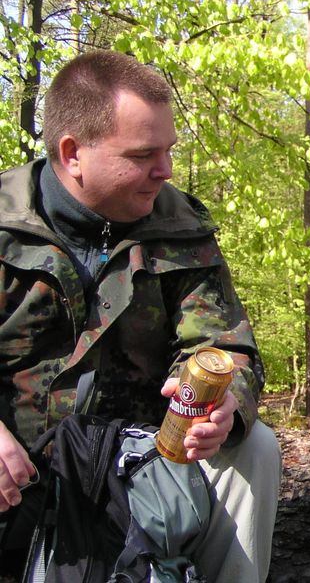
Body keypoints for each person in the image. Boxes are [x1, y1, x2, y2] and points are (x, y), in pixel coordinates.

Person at [0, 50, 281, 583]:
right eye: (143, 154)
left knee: (254, 449)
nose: (165, 170)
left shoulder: (181, 226)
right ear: (72, 153)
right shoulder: (6, 226)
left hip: (142, 456)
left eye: (168, 150)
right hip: (21, 462)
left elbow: (226, 345)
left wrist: (226, 401)